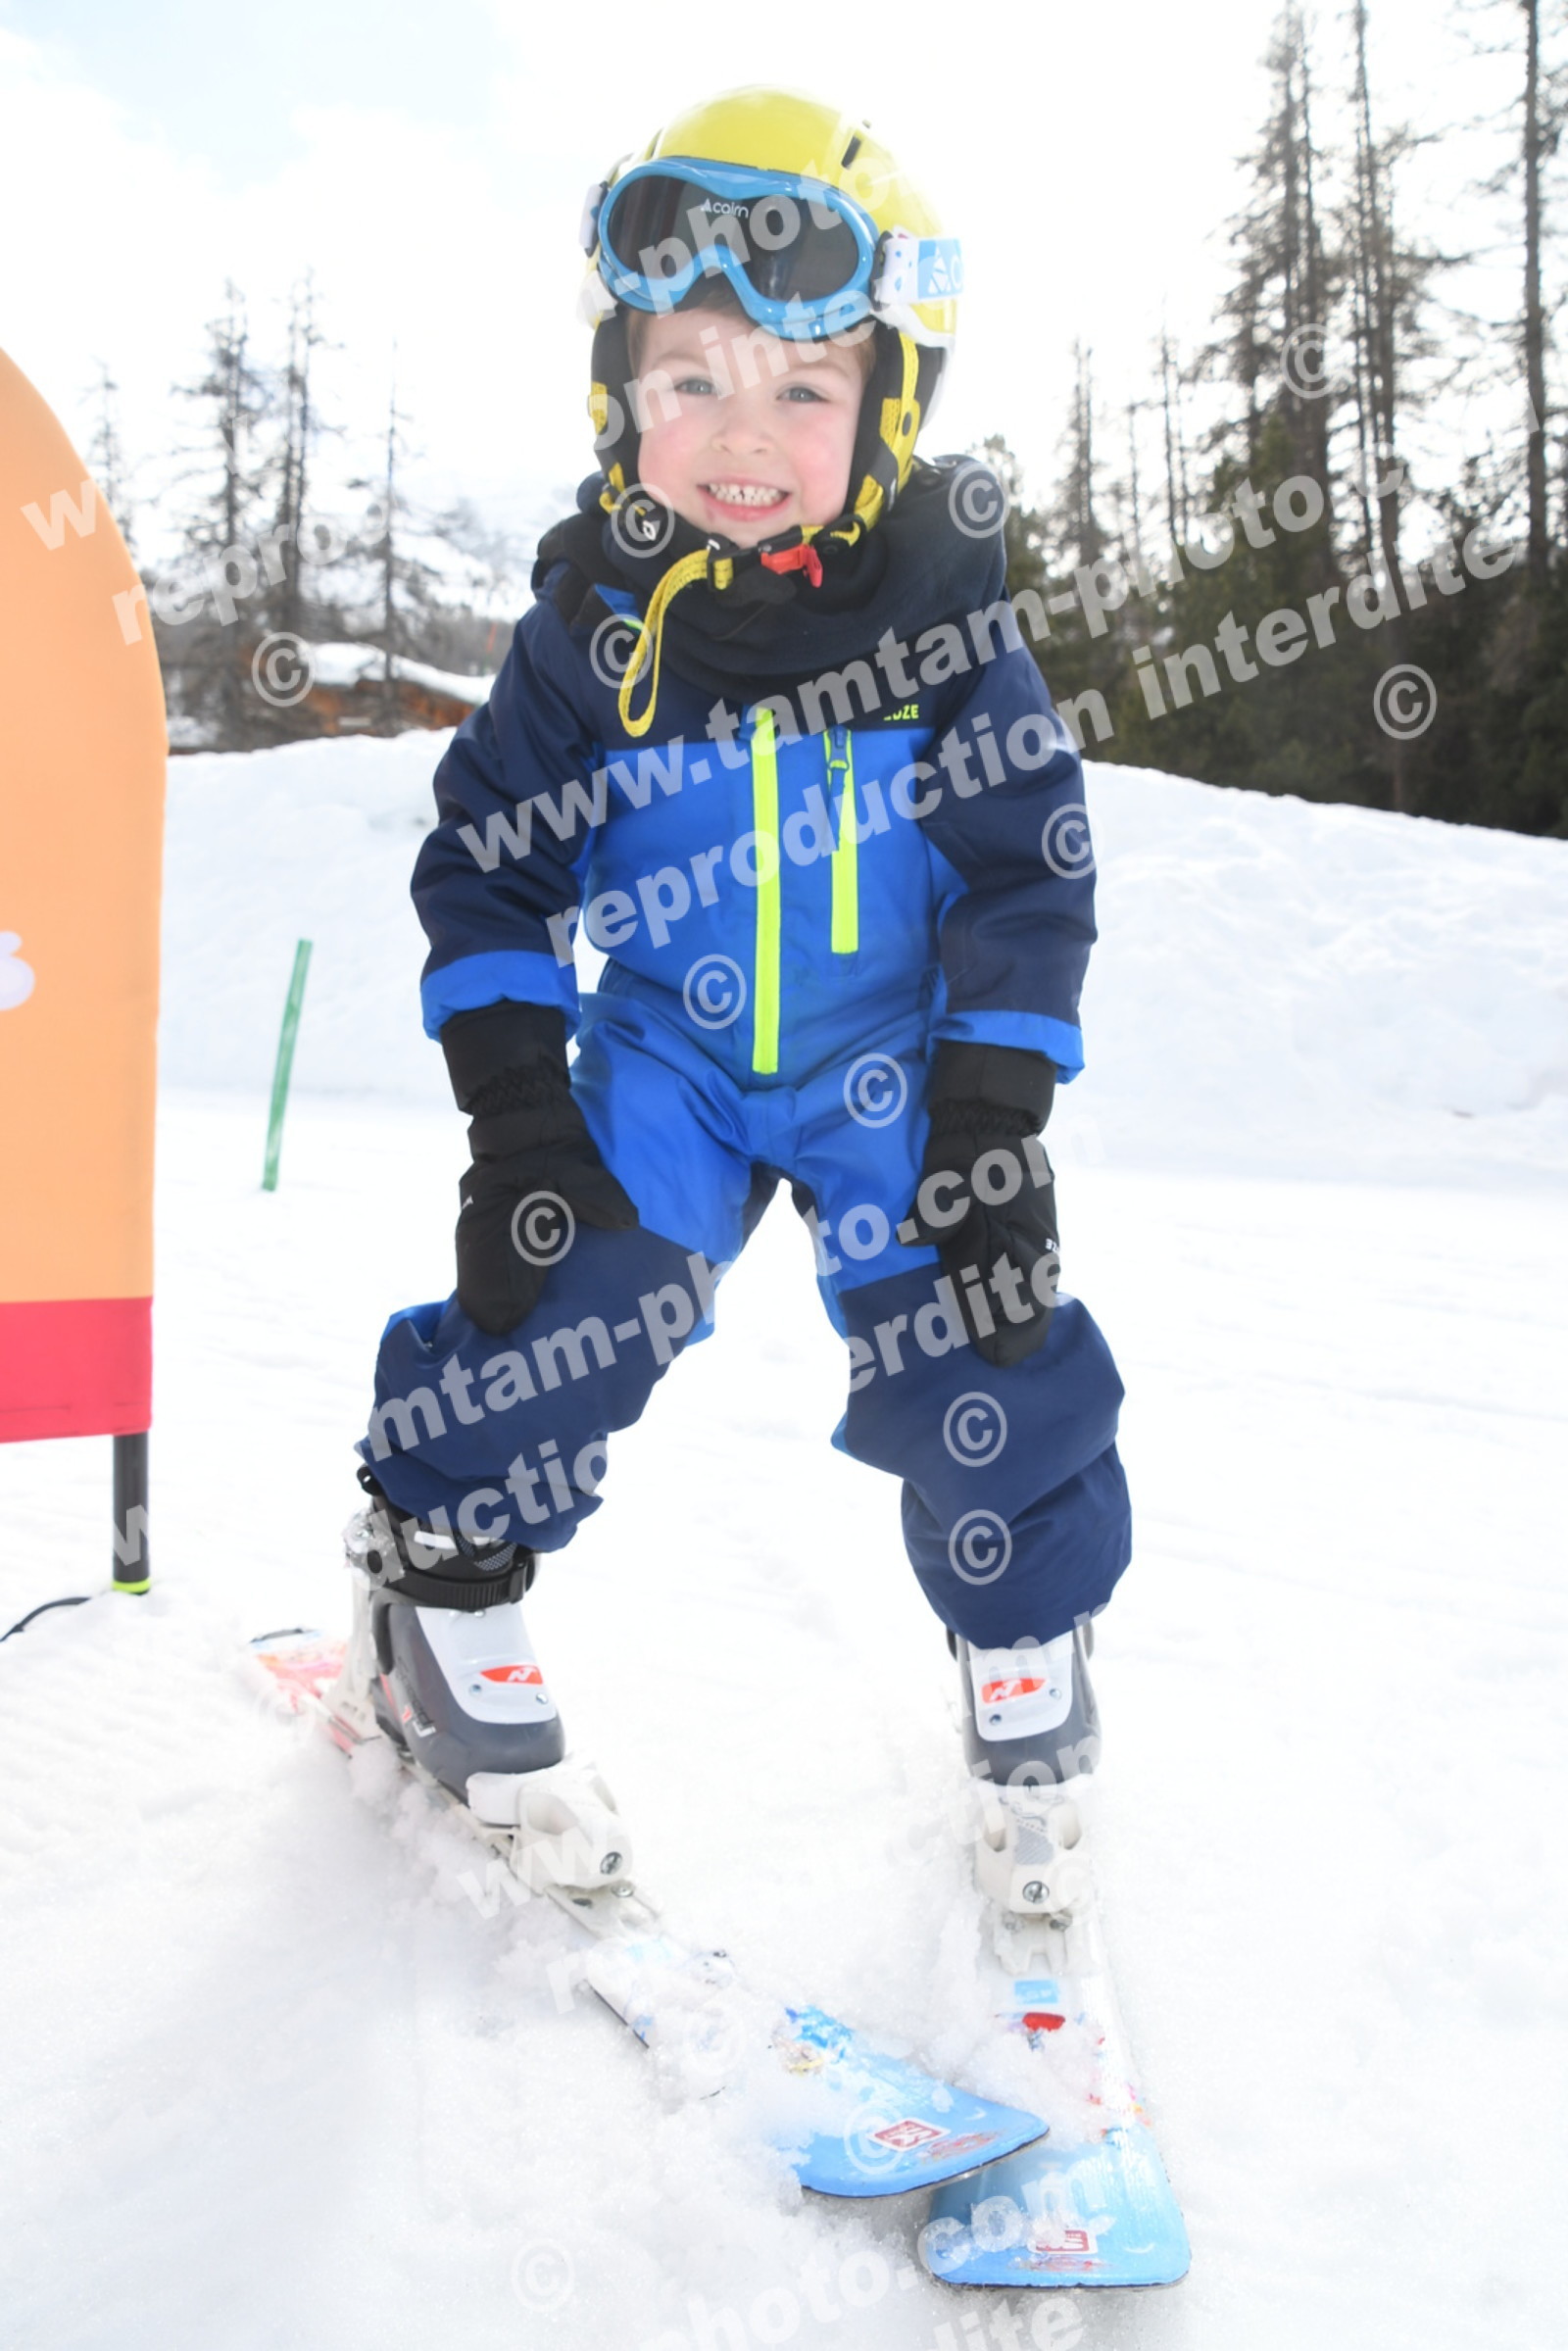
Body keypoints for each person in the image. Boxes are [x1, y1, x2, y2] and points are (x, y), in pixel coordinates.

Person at [334, 88, 1128, 1894]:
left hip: (889, 1063)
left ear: (889, 407)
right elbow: (491, 866)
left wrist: (993, 1113)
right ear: (618, 394)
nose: (742, 433)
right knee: (570, 1290)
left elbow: (1030, 868)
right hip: (669, 1057)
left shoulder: (948, 630)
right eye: (690, 379)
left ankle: (1028, 1636)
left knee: (978, 1322)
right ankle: (434, 1573)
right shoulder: (593, 634)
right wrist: (518, 1115)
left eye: (803, 387)